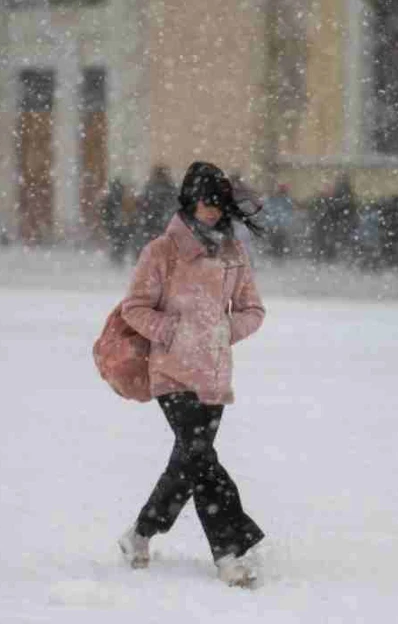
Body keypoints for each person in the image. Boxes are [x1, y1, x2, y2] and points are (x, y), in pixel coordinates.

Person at [116, 161, 266, 588]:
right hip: (172, 373)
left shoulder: (234, 254)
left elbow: (253, 310)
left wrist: (223, 331)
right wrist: (172, 332)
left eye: (218, 204)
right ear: (189, 200)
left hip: (214, 378)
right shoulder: (161, 251)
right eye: (205, 202)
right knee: (199, 458)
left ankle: (140, 534)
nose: (212, 211)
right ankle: (229, 553)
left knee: (191, 463)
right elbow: (135, 308)